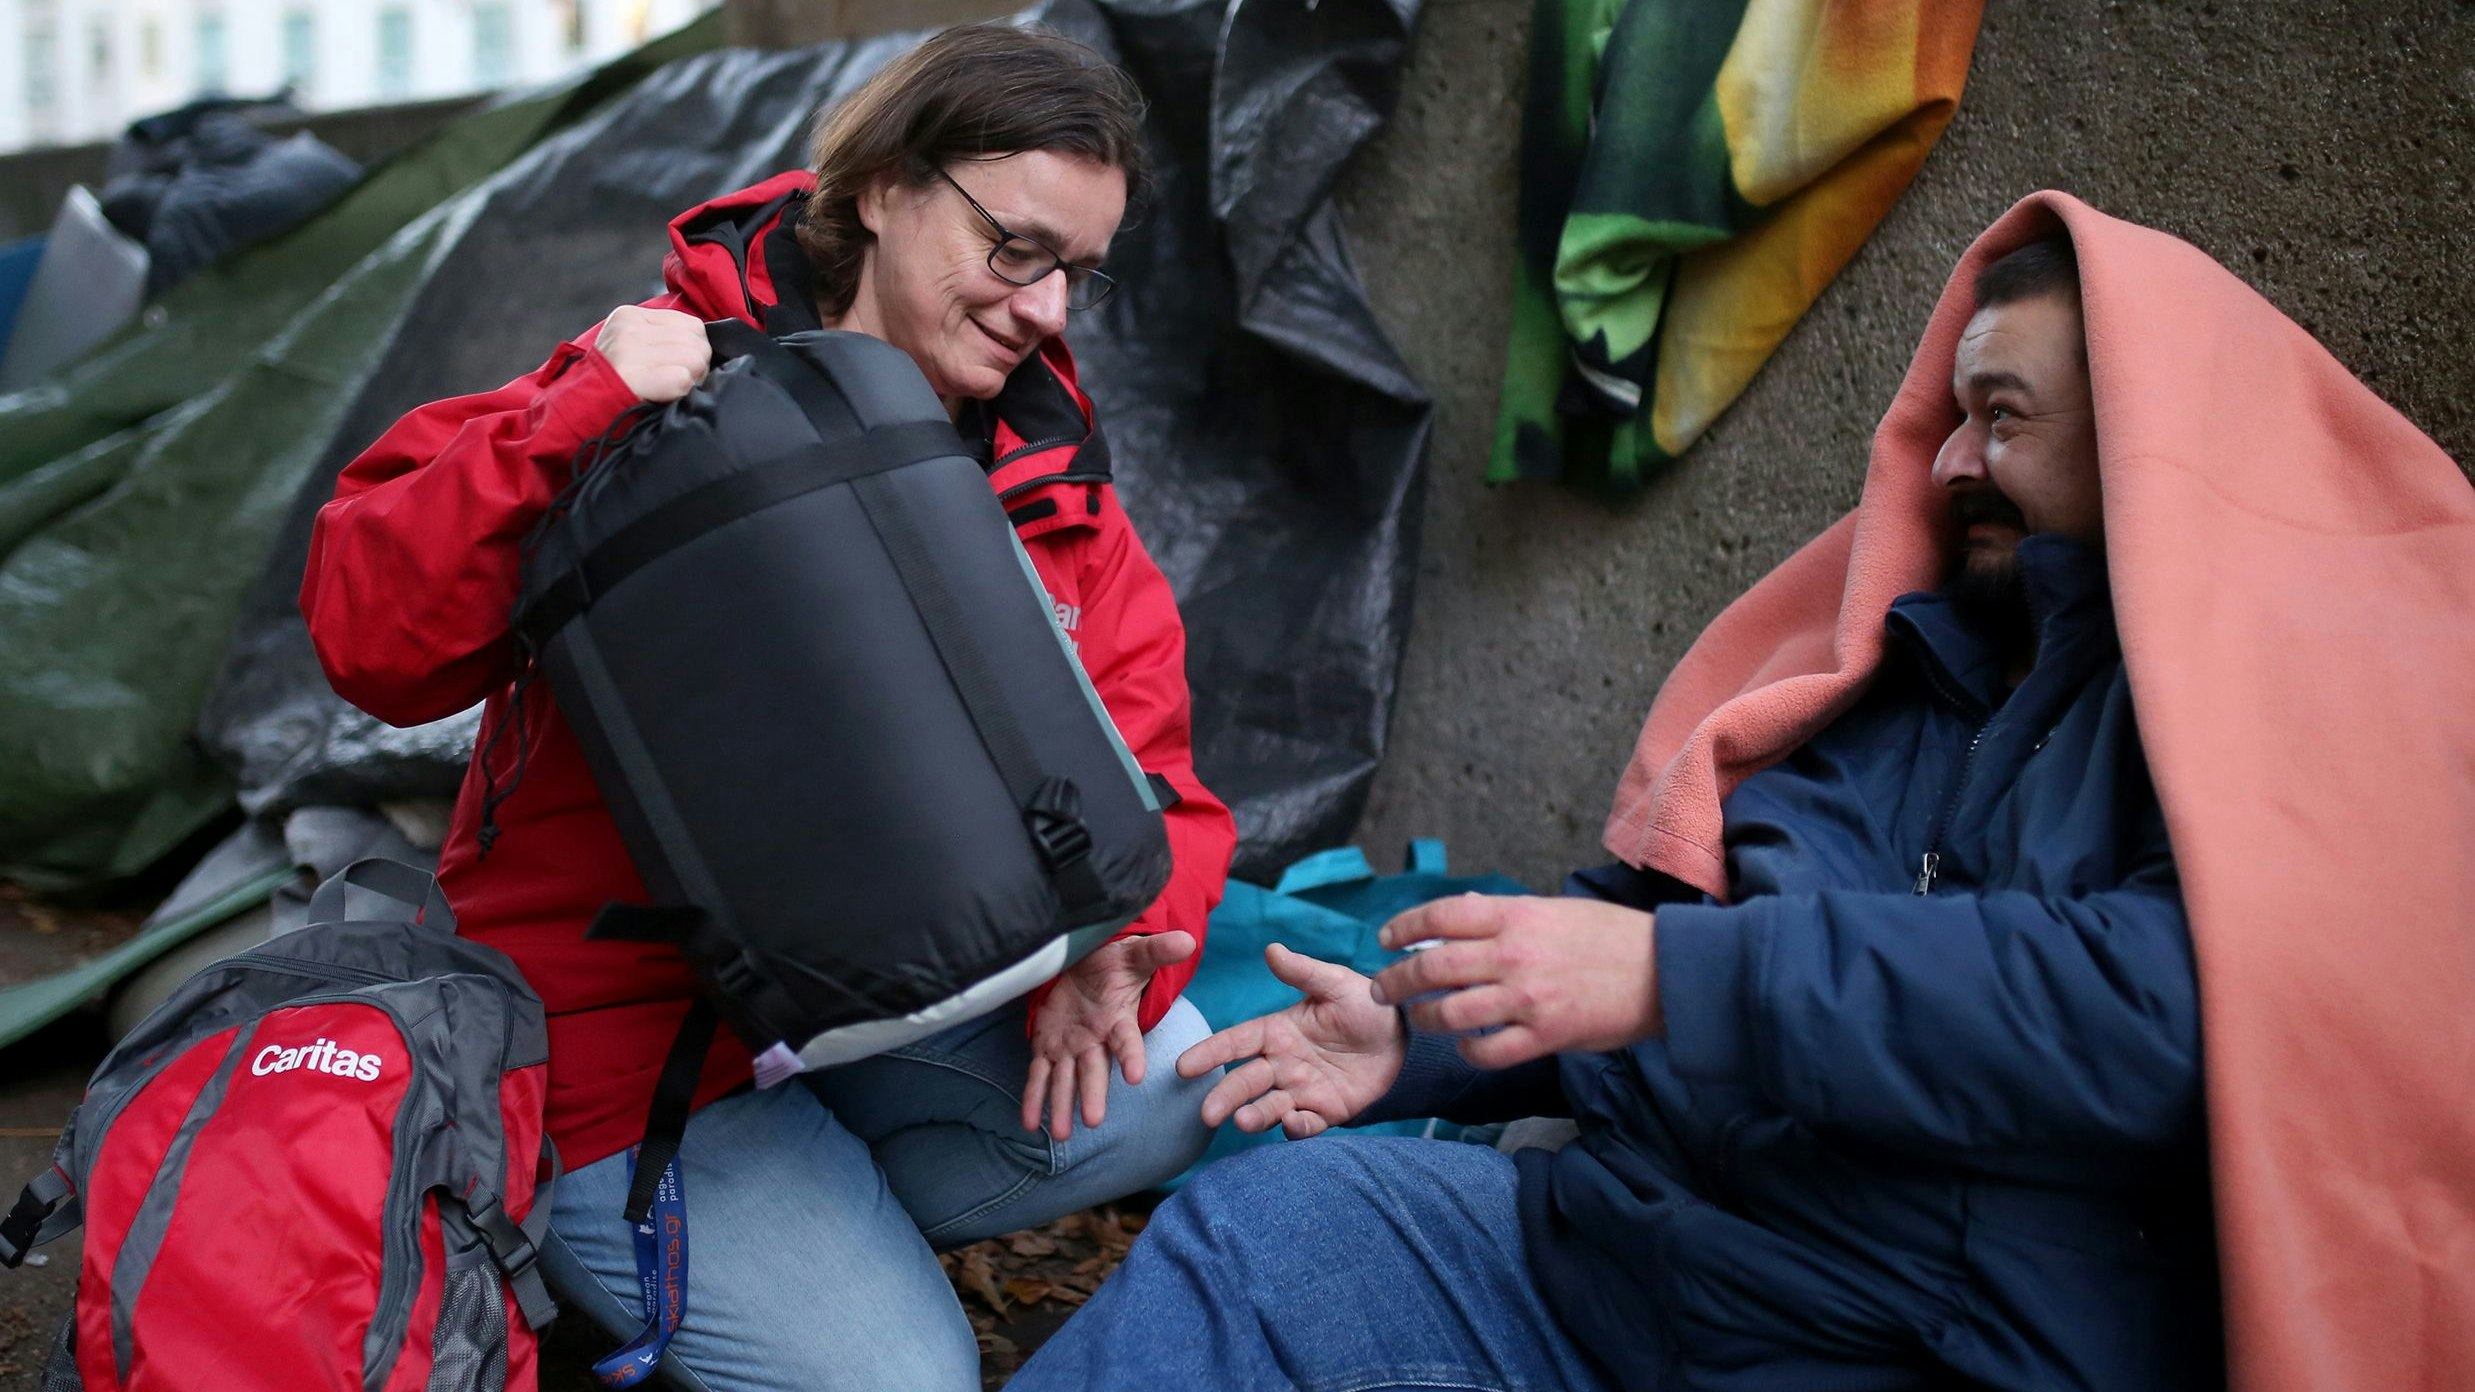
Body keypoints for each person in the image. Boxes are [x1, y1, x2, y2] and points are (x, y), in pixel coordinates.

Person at [1015, 195, 2475, 1391]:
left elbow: (2160, 1008)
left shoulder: (2255, 742)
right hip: (1628, 1277)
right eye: (1949, 417)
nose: (1953, 457)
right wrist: (1424, 1046)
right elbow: (1645, 944)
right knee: (1281, 1231)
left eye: (2006, 415)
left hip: (1900, 1351)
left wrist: (1676, 974)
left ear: (2160, 442)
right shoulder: (1887, 684)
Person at [298, 26, 1235, 1391]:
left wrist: (1124, 937)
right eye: (1014, 248)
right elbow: (370, 638)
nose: (1044, 311)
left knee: (1179, 1074)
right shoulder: (654, 396)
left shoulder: (1051, 488)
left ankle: (808, 1244)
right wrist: (577, 409)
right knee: (901, 1382)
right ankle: (656, 1252)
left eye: (1077, 274)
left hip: (896, 1006)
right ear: (882, 189)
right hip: (645, 1065)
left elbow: (1158, 773)